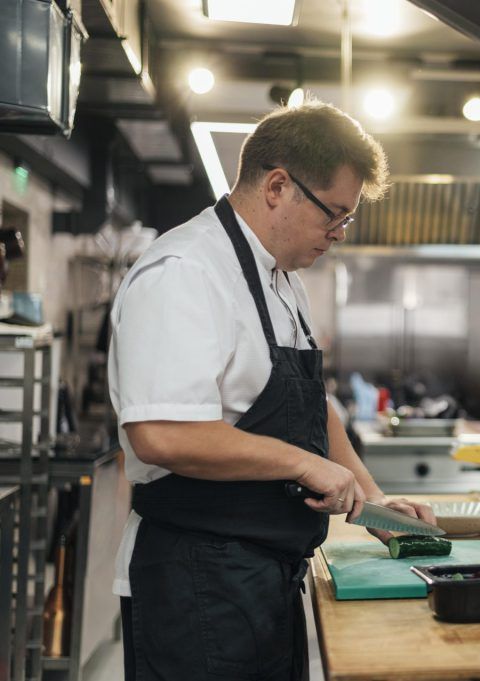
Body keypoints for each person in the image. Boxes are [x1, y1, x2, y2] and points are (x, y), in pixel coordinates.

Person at [108, 101, 436, 680]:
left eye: (346, 219)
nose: (337, 234)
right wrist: (306, 466)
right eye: (333, 214)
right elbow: (160, 434)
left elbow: (312, 404)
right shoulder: (186, 270)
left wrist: (374, 501)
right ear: (279, 186)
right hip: (194, 582)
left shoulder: (282, 280)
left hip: (263, 574)